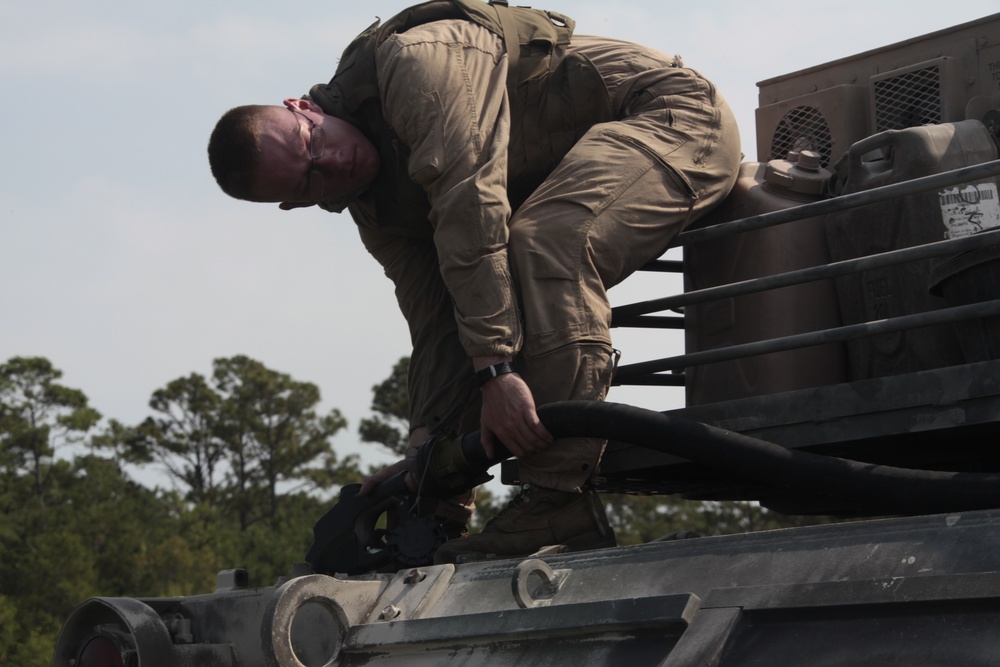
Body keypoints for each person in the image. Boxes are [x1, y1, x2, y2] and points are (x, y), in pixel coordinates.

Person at [208, 0, 741, 563]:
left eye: (313, 144)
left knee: (546, 240)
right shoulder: (378, 212)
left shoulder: (417, 63)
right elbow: (436, 322)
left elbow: (472, 204)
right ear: (296, 204)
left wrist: (496, 371)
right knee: (517, 259)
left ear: (302, 107)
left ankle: (558, 498)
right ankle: (461, 515)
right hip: (588, 166)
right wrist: (426, 458)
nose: (334, 164)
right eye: (311, 180)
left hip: (671, 119)